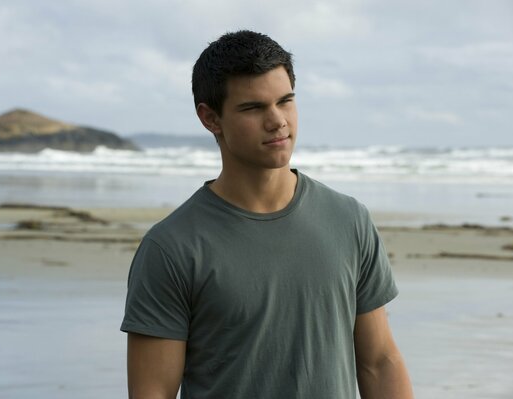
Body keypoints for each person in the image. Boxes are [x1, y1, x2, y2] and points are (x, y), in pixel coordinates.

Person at [121, 30, 413, 399]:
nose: (278, 121)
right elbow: (152, 393)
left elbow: (380, 361)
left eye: (285, 101)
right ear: (210, 118)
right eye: (253, 108)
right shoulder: (172, 247)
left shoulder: (349, 220)